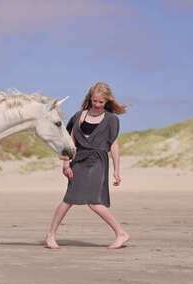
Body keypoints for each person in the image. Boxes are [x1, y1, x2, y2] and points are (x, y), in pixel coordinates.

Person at [45, 82, 130, 249]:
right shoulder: (79, 116)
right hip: (78, 161)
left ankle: (121, 233)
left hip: (98, 162)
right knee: (68, 199)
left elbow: (113, 145)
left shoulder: (111, 120)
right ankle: (51, 235)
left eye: (101, 102)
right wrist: (66, 163)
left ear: (106, 102)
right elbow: (70, 142)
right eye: (94, 101)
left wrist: (117, 171)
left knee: (94, 201)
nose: (97, 105)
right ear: (90, 99)